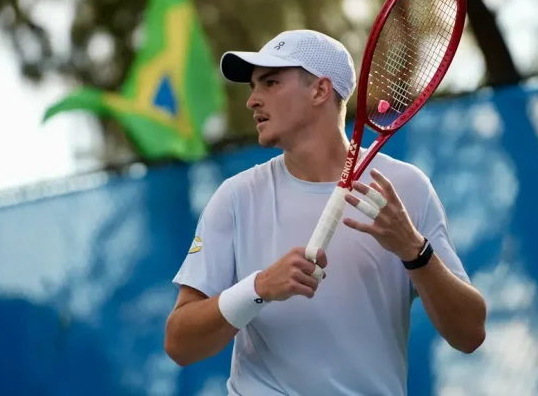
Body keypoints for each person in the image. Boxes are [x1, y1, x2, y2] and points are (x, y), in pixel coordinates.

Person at [165, 29, 487, 395]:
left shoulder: (404, 187)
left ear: (320, 90)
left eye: (270, 83)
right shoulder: (235, 197)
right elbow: (179, 343)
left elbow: (470, 333)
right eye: (253, 86)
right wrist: (258, 287)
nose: (252, 100)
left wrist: (414, 250)